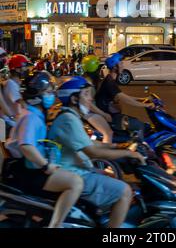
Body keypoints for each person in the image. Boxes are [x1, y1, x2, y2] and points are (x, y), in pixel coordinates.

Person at [49, 77, 146, 228]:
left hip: (77, 169)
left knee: (110, 176)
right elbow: (92, 152)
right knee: (125, 191)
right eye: (86, 94)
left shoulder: (70, 116)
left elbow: (89, 143)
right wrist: (128, 153)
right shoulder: (69, 119)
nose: (90, 98)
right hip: (73, 174)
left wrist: (117, 146)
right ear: (74, 99)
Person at [3, 71, 84, 228]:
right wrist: (46, 166)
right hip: (30, 172)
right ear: (36, 97)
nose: (51, 95)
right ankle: (55, 225)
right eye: (47, 92)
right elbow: (26, 146)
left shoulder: (36, 114)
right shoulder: (31, 117)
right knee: (76, 183)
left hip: (31, 168)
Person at [95, 53, 154, 138]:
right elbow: (125, 99)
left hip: (112, 114)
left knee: (143, 125)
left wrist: (143, 99)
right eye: (121, 63)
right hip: (109, 117)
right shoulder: (109, 82)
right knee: (139, 125)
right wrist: (146, 105)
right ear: (115, 66)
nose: (123, 65)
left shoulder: (111, 80)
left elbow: (123, 96)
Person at [0, 54, 30, 127]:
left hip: (13, 120)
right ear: (17, 69)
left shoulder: (13, 83)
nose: (26, 70)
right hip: (10, 123)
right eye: (24, 67)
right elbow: (21, 102)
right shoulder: (11, 84)